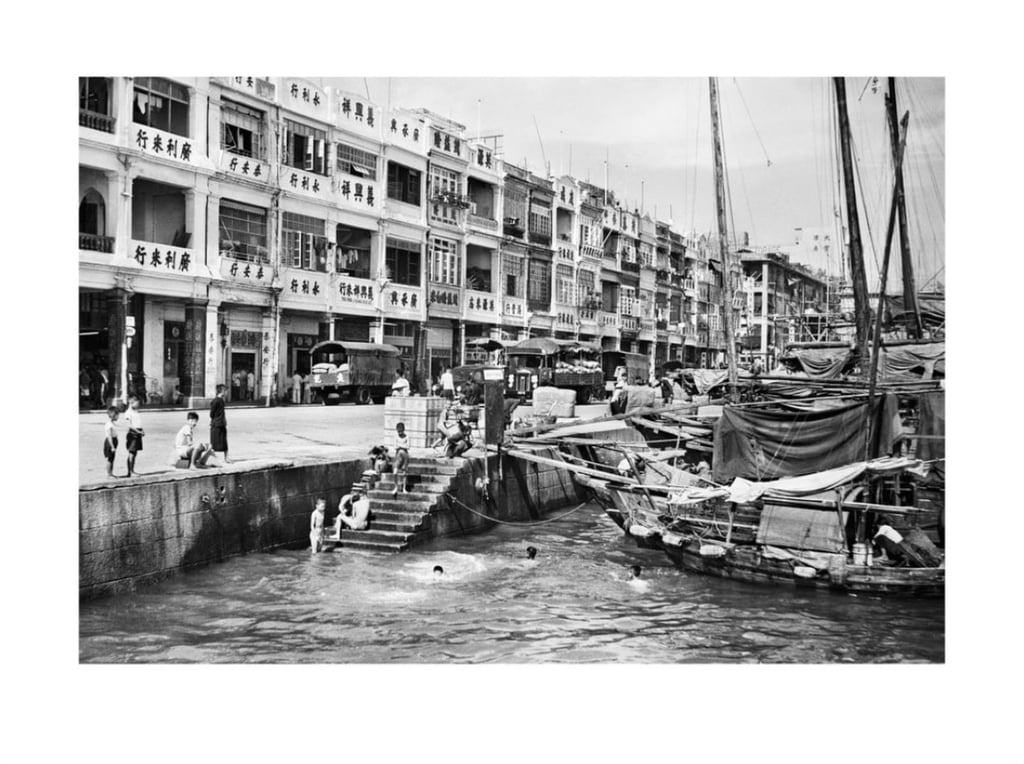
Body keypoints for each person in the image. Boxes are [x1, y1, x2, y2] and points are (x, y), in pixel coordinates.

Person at [123, 395, 145, 477]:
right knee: (131, 453)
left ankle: (132, 470)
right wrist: (138, 431)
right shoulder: (128, 413)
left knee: (135, 453)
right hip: (133, 434)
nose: (138, 405)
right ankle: (130, 471)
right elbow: (129, 425)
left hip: (138, 432)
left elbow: (138, 423)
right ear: (131, 403)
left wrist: (142, 430)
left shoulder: (136, 412)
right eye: (137, 403)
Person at [210, 384, 229, 463]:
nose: (227, 393)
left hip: (218, 423)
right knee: (221, 441)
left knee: (215, 442)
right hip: (218, 423)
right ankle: (226, 458)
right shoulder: (218, 401)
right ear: (222, 391)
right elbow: (212, 413)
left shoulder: (219, 400)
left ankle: (215, 459)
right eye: (225, 391)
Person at [392, 422, 410, 497]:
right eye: (398, 431)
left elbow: (408, 446)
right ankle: (396, 487)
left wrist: (400, 446)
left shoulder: (407, 437)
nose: (399, 433)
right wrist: (402, 446)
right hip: (398, 456)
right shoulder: (396, 437)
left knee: (404, 473)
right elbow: (395, 447)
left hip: (405, 456)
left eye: (401, 431)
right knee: (395, 472)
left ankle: (404, 488)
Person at [103, 406, 119, 478]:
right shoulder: (109, 424)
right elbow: (109, 436)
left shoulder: (113, 423)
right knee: (110, 458)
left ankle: (111, 473)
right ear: (113, 415)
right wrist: (112, 446)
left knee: (112, 458)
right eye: (117, 415)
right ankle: (108, 474)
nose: (118, 416)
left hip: (114, 441)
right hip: (110, 442)